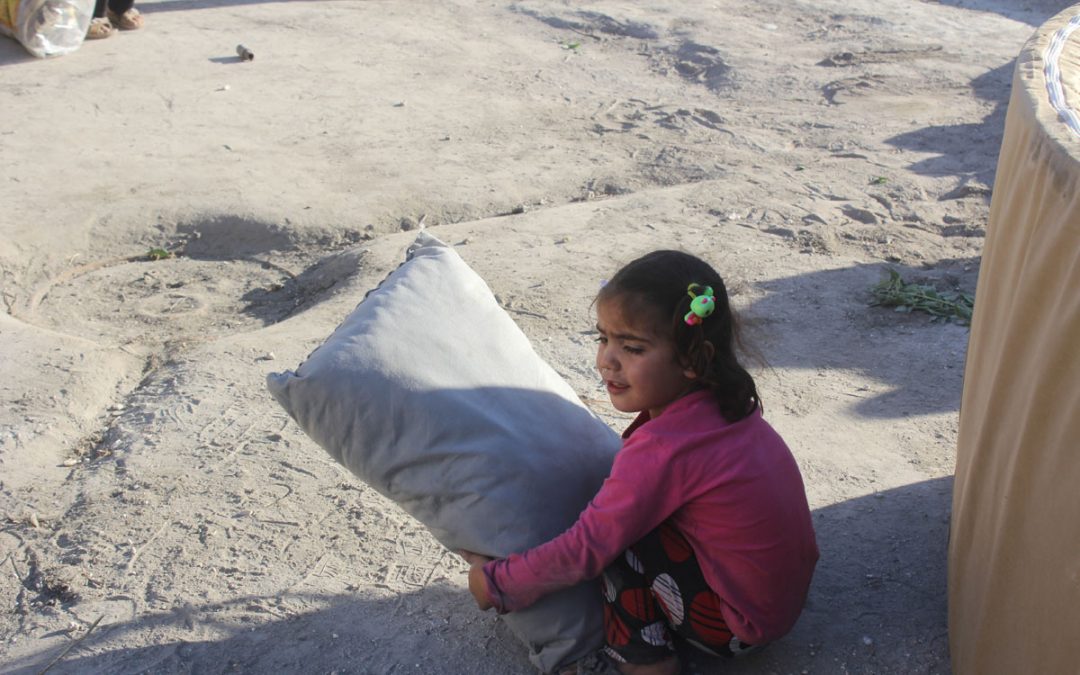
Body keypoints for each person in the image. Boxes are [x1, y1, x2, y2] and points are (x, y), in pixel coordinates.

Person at [460, 250, 818, 675]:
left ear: (692, 360)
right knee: (627, 512)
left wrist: (497, 583)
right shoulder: (729, 407)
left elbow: (586, 550)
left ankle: (646, 661)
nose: (606, 360)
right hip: (776, 607)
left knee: (619, 537)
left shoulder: (666, 448)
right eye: (603, 338)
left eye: (631, 347)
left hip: (732, 627)